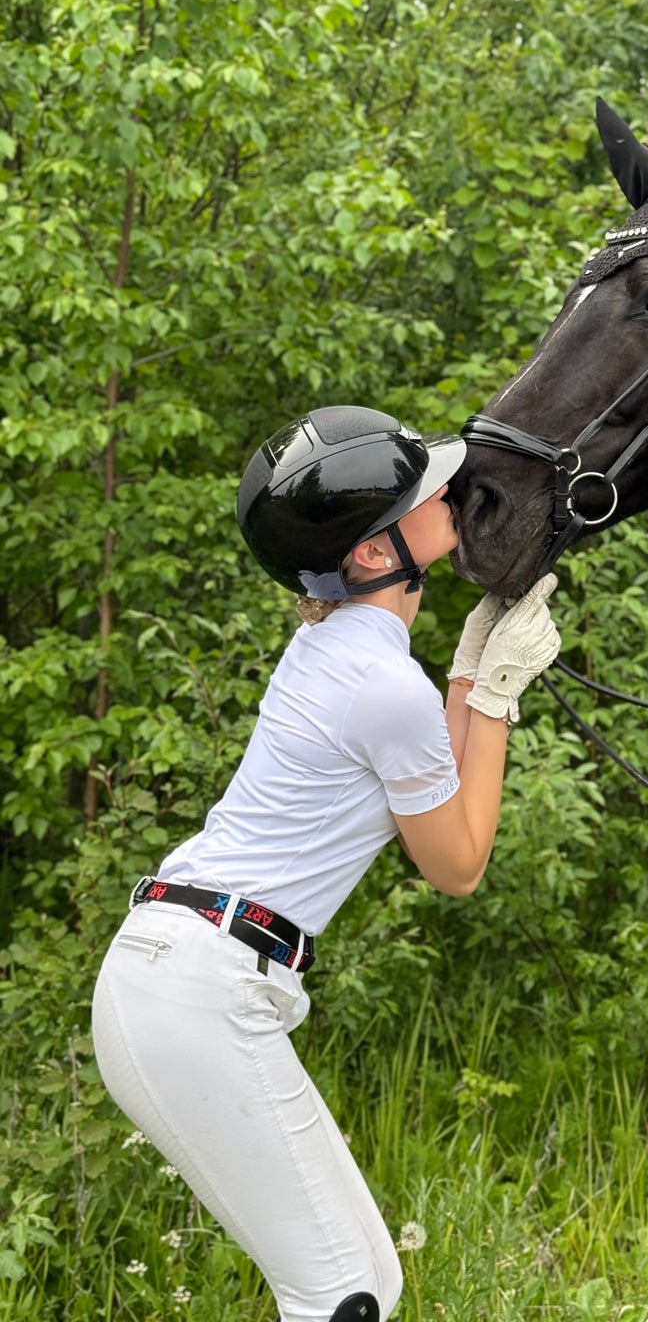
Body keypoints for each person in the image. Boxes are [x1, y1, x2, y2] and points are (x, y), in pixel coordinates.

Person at [91, 405, 561, 1322]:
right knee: (345, 1292)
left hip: (183, 973)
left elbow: (427, 762)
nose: (450, 492)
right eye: (425, 493)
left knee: (362, 1285)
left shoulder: (345, 651)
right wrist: (496, 695)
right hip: (199, 990)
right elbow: (457, 862)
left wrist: (467, 673)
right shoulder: (380, 682)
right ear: (377, 556)